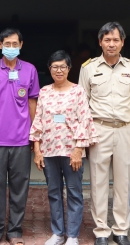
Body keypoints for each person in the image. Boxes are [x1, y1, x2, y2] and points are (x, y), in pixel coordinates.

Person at [78, 22, 130, 245]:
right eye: (107, 40)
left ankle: (121, 230)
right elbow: (82, 105)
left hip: (126, 130)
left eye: (116, 40)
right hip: (99, 130)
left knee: (123, 182)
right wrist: (83, 138)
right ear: (100, 42)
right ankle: (101, 231)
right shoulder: (88, 68)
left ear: (122, 42)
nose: (111, 44)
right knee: (98, 182)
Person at [30, 50, 98, 245]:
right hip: (49, 150)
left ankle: (73, 235)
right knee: (53, 192)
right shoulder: (44, 91)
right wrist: (37, 150)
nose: (58, 70)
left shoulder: (78, 91)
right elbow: (38, 121)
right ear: (49, 69)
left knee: (74, 192)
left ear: (69, 68)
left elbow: (85, 120)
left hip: (71, 152)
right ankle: (58, 233)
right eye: (55, 67)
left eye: (62, 67)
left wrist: (78, 150)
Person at [0, 28, 40, 245]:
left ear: (21, 45)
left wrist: (34, 135)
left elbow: (32, 103)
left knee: (19, 186)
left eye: (15, 44)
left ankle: (15, 231)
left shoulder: (30, 70)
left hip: (21, 139)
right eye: (7, 44)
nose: (11, 48)